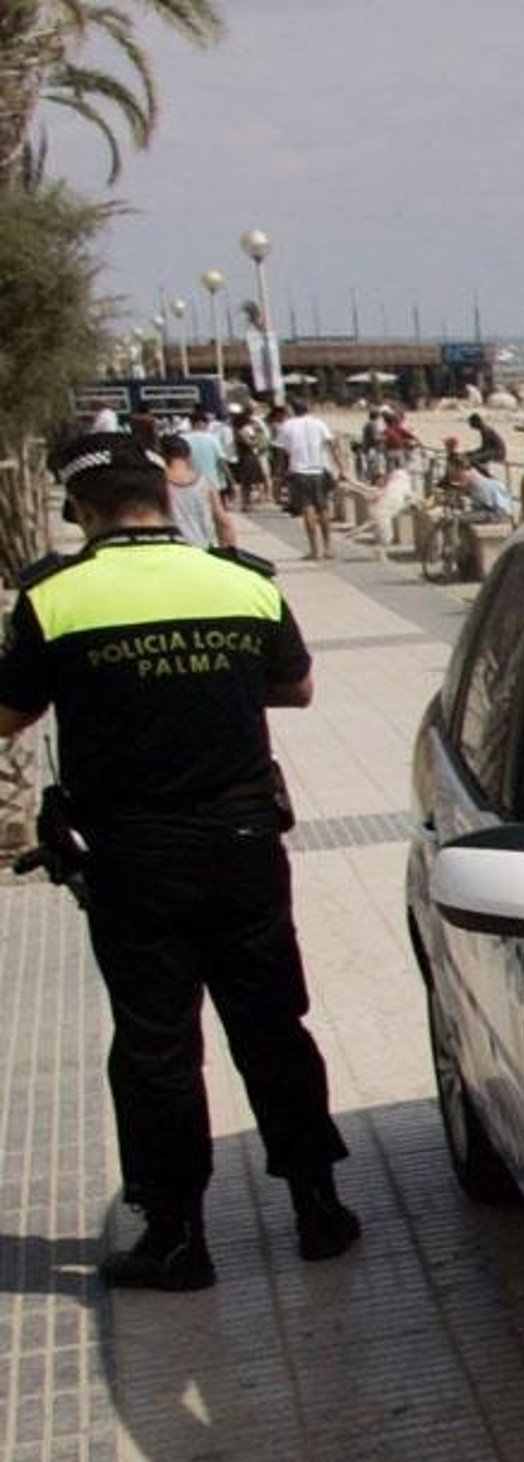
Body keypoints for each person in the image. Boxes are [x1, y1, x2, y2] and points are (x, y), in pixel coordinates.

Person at [0, 432, 360, 1290]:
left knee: (157, 1044)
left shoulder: (54, 598)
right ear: (164, 498)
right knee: (272, 1023)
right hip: (244, 844)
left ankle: (177, 1238)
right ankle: (318, 1207)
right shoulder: (242, 581)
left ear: (79, 510)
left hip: (135, 856)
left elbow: (10, 713)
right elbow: (297, 686)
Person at [274, 396, 346, 560]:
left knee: (307, 510)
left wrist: (278, 476)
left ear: (292, 410)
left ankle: (314, 549)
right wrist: (341, 467)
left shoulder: (287, 426)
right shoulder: (319, 423)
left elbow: (280, 454)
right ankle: (328, 547)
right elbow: (332, 446)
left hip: (299, 472)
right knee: (323, 508)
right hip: (319, 470)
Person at [159, 432, 236, 549]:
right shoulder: (204, 483)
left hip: (171, 551)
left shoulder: (157, 484)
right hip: (202, 549)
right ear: (189, 455)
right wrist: (230, 551)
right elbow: (222, 522)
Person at [230, 405, 269, 510]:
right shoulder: (242, 431)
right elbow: (249, 443)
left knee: (248, 482)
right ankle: (246, 503)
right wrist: (257, 440)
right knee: (247, 481)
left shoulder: (239, 430)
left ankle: (247, 502)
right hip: (248, 456)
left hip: (246, 456)